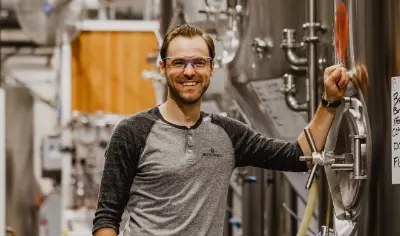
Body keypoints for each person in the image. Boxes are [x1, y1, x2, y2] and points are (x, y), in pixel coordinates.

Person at [92, 24, 350, 236]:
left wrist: (329, 102)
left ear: (212, 67)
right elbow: (107, 216)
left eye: (199, 62)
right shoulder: (133, 131)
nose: (189, 71)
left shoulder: (228, 133)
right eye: (179, 62)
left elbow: (298, 156)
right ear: (163, 68)